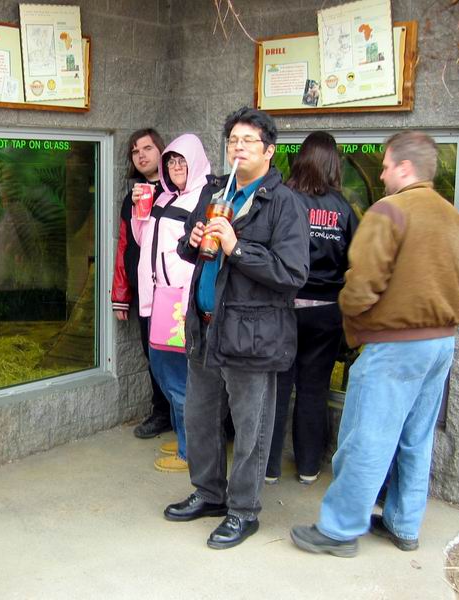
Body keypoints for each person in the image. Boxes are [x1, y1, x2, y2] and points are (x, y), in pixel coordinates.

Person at [290, 131, 459, 557]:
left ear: (405, 168)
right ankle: (403, 524)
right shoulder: (453, 217)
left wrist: (354, 326)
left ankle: (338, 530)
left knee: (366, 437)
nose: (383, 174)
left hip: (394, 345)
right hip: (440, 344)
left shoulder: (388, 211)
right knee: (416, 437)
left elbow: (360, 287)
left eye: (388, 166)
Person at [164, 107, 310, 549]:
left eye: (248, 141)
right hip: (206, 327)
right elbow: (192, 248)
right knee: (200, 417)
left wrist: (238, 247)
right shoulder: (216, 190)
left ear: (269, 150)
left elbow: (292, 273)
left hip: (252, 336)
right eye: (233, 141)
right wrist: (190, 243)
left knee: (251, 428)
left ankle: (244, 511)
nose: (239, 148)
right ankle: (209, 494)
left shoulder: (284, 203)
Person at [265, 132, 358, 486]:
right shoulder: (344, 209)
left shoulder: (283, 199)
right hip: (326, 312)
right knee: (314, 389)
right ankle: (307, 468)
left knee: (276, 387)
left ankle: (269, 468)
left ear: (299, 159)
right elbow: (355, 261)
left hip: (284, 307)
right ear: (334, 164)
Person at [132, 134, 211, 472]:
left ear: (195, 162)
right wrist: (139, 213)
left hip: (178, 301)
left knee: (179, 378)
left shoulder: (204, 199)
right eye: (172, 162)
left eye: (182, 161)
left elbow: (202, 254)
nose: (176, 167)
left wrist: (186, 298)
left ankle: (189, 451)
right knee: (164, 372)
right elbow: (143, 240)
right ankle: (182, 436)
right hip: (156, 297)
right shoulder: (164, 196)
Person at [111, 129, 174, 440]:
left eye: (148, 148)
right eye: (136, 151)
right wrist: (120, 295)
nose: (142, 155)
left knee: (177, 356)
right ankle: (161, 413)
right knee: (153, 355)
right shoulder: (132, 197)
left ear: (162, 150)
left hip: (174, 292)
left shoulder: (178, 191)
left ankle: (187, 417)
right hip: (144, 293)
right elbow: (125, 246)